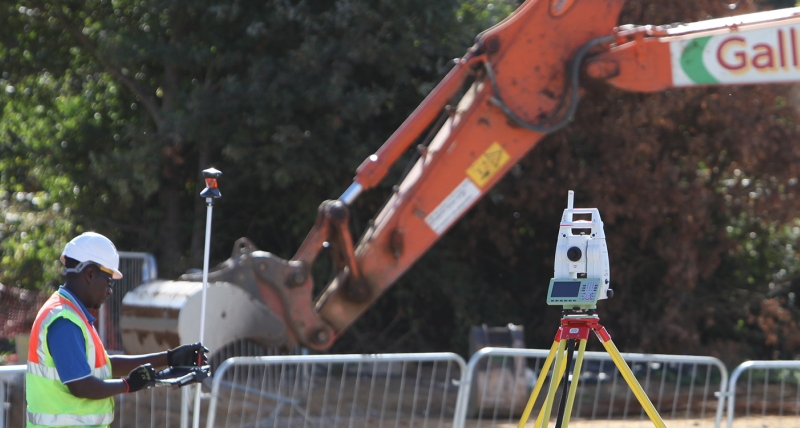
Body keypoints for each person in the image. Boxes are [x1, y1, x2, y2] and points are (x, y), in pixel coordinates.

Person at [25, 232, 208, 428]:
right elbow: (81, 385)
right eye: (109, 281)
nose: (110, 290)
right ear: (89, 274)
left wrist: (168, 358)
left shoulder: (73, 315)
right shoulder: (63, 320)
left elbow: (106, 365)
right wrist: (129, 384)